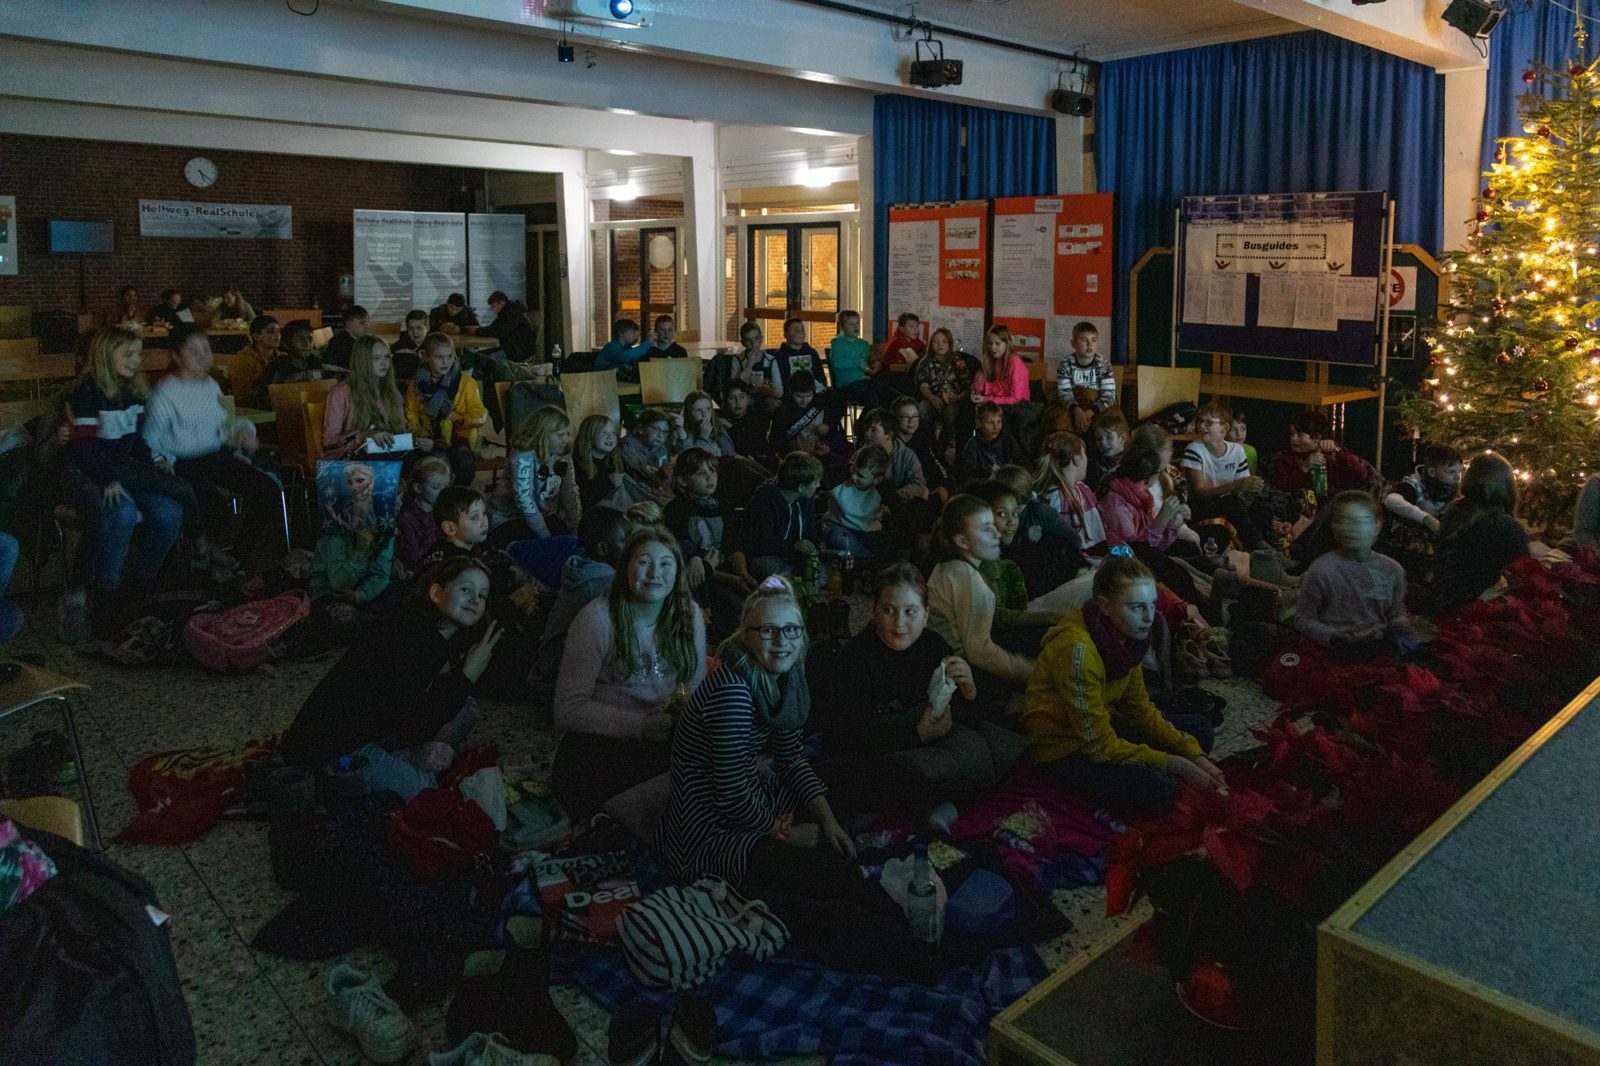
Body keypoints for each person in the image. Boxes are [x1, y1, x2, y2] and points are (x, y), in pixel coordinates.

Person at [657, 577, 855, 891]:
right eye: (768, 631)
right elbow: (731, 791)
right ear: (746, 636)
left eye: (791, 629)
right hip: (710, 826)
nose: (782, 641)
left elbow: (791, 758)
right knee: (815, 873)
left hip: (756, 791)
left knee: (844, 790)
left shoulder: (788, 676)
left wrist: (828, 821)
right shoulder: (732, 691)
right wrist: (784, 833)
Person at [818, 563, 1022, 825]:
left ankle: (942, 805)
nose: (900, 623)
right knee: (866, 777)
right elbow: (843, 736)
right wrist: (916, 734)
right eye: (888, 610)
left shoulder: (934, 646)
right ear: (874, 611)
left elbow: (967, 718)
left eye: (910, 612)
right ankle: (943, 804)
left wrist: (969, 691)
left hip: (932, 749)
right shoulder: (855, 659)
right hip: (886, 750)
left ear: (925, 615)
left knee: (1001, 747)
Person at [1023, 552, 1224, 815]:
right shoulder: (1078, 651)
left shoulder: (1127, 638)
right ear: (1105, 605)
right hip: (1062, 749)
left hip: (1099, 728)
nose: (1149, 617)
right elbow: (1098, 747)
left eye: (1153, 605)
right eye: (1137, 607)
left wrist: (1192, 754)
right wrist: (1173, 762)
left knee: (1199, 731)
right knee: (1161, 789)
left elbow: (1139, 709)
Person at [282, 557, 501, 794]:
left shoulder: (434, 636)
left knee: (467, 708)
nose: (475, 600)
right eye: (466, 589)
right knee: (422, 789)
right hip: (338, 749)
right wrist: (468, 674)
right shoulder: (408, 637)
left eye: (482, 595)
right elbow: (415, 727)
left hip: (381, 732)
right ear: (437, 593)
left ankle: (402, 759)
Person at [553, 528, 707, 820]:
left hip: (666, 734)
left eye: (665, 564)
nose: (654, 573)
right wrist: (641, 726)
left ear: (677, 571)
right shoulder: (596, 619)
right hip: (604, 742)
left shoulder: (689, 614)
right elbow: (568, 710)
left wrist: (681, 711)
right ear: (626, 567)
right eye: (644, 562)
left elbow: (695, 683)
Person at [63, 327, 190, 636]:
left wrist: (153, 465)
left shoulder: (132, 392)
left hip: (121, 470)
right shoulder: (86, 393)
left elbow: (134, 443)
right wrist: (107, 479)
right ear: (106, 356)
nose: (137, 361)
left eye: (139, 354)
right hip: (90, 472)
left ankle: (140, 586)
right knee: (121, 511)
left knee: (170, 511)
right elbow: (83, 448)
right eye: (128, 354)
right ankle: (106, 595)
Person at [143, 324, 282, 566]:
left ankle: (236, 555)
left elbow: (222, 426)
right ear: (176, 356)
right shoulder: (164, 393)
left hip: (214, 455)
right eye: (193, 351)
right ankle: (201, 559)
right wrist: (162, 461)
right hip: (181, 462)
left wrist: (241, 431)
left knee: (269, 491)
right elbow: (151, 439)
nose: (203, 356)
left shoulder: (210, 385)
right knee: (213, 505)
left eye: (206, 349)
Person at [927, 494, 1041, 698]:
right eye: (985, 529)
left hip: (952, 661)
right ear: (961, 540)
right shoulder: (964, 576)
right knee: (1039, 640)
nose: (996, 534)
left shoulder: (952, 566)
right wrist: (1030, 672)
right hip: (958, 674)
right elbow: (979, 652)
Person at [1296, 491, 1412, 651]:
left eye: (1360, 521)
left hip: (1376, 645)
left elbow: (1396, 612)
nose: (1350, 529)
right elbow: (1303, 620)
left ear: (1377, 526)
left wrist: (1400, 625)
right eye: (1342, 521)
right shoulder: (1322, 569)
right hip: (1334, 648)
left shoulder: (1391, 569)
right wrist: (1340, 637)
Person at [533, 505, 631, 686]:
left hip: (550, 665)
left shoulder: (583, 569)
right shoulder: (601, 584)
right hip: (558, 680)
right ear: (603, 549)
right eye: (626, 540)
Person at [664, 447, 753, 642]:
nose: (710, 477)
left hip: (726, 570)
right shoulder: (675, 511)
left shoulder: (722, 504)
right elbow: (688, 558)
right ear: (683, 480)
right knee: (735, 610)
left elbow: (732, 542)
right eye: (701, 473)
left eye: (712, 471)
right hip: (702, 579)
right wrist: (731, 578)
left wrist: (743, 573)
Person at [1431, 451, 1529, 612]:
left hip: (1442, 599)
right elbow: (1525, 575)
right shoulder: (1506, 526)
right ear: (1508, 486)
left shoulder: (1454, 511)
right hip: (1474, 612)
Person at [1181, 401, 1273, 551]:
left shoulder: (1237, 451)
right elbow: (1199, 492)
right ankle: (1258, 547)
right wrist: (1236, 485)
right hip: (1201, 506)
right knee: (1231, 503)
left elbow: (1239, 491)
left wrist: (1250, 486)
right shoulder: (1194, 449)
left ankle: (1257, 547)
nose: (1202, 426)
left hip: (1228, 503)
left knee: (1260, 508)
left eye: (1209, 422)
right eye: (1200, 421)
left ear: (1224, 428)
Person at [406, 332, 487, 486]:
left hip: (459, 436)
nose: (445, 362)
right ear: (426, 357)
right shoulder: (416, 384)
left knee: (463, 460)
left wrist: (462, 418)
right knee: (411, 461)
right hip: (429, 435)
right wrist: (423, 436)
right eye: (439, 357)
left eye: (449, 357)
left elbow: (480, 414)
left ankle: (459, 497)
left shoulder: (465, 382)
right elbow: (412, 417)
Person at [490, 405, 579, 541]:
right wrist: (545, 536)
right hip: (508, 516)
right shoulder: (523, 456)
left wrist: (574, 526)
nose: (566, 440)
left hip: (545, 514)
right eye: (561, 435)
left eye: (567, 434)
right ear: (542, 434)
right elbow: (525, 500)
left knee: (568, 539)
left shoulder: (563, 453)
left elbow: (570, 490)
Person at [1101, 445, 1201, 553]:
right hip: (1134, 560)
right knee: (1189, 548)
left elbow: (1157, 543)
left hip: (1149, 552)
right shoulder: (1116, 504)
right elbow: (1136, 550)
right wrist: (1162, 519)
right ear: (1148, 478)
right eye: (1158, 473)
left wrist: (1174, 519)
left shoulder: (1140, 493)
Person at [323, 335, 407, 459]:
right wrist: (363, 436)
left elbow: (400, 435)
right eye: (376, 358)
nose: (384, 363)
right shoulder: (340, 393)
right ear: (363, 361)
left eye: (387, 357)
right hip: (354, 463)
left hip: (389, 456)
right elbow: (329, 444)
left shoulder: (392, 392)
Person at [1382, 443, 1462, 572]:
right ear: (1432, 471)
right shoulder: (1414, 486)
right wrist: (1425, 518)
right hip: (1413, 537)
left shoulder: (1454, 491)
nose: (1457, 476)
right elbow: (1391, 500)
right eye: (1451, 472)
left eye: (1459, 471)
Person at [1268, 408, 1375, 502]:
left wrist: (1337, 451)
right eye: (1291, 434)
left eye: (1300, 435)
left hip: (1337, 501)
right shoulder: (1286, 457)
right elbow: (1282, 485)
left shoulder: (1331, 451)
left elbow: (1361, 472)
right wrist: (1305, 467)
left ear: (1317, 438)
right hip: (1303, 503)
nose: (1293, 439)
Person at [746, 451, 821, 580]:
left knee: (819, 573)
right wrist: (794, 546)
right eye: (816, 482)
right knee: (776, 574)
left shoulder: (806, 498)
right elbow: (763, 543)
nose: (818, 485)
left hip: (794, 555)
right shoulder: (764, 501)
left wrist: (814, 545)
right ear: (801, 487)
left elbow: (809, 528)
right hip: (768, 555)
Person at [1036, 431, 1107, 554]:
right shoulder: (1056, 499)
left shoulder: (1082, 489)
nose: (1086, 458)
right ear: (1077, 459)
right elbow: (1063, 546)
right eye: (1084, 453)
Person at [822, 444, 888, 560]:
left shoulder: (884, 489)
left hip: (868, 534)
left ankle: (859, 557)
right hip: (841, 529)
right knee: (837, 537)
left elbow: (900, 513)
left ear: (877, 480)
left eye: (861, 476)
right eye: (853, 468)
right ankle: (872, 560)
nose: (853, 476)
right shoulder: (839, 476)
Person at [396, 454, 452, 578]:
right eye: (436, 487)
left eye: (446, 486)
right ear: (417, 488)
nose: (443, 492)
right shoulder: (406, 518)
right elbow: (413, 556)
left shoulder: (444, 509)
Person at [1055, 321, 1115, 432]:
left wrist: (1090, 412)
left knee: (1111, 425)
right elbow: (1065, 393)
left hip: (1097, 406)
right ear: (1073, 343)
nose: (1090, 344)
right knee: (1059, 423)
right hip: (1073, 406)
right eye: (1084, 340)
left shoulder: (1104, 365)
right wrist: (1077, 411)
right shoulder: (1065, 364)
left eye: (1093, 340)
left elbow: (1109, 395)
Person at [705, 322, 781, 410]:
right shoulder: (737, 360)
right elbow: (734, 385)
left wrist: (768, 391)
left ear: (761, 339)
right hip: (743, 401)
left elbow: (779, 391)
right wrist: (748, 366)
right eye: (748, 340)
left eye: (756, 339)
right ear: (743, 343)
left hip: (764, 400)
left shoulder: (771, 360)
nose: (753, 343)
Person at [913, 327, 968, 437]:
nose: (940, 345)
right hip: (931, 398)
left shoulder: (957, 361)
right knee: (923, 410)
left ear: (949, 343)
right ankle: (928, 443)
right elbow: (923, 386)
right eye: (936, 342)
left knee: (950, 414)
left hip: (953, 399)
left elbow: (967, 387)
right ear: (931, 344)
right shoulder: (925, 362)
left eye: (944, 341)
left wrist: (957, 397)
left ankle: (942, 446)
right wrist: (932, 398)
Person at [892, 394, 951, 497]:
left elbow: (932, 462)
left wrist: (942, 485)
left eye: (915, 416)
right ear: (896, 419)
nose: (911, 421)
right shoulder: (892, 443)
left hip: (923, 485)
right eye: (906, 417)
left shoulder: (921, 437)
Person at [766, 371, 832, 462]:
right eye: (799, 396)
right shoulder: (783, 411)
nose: (804, 401)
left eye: (808, 396)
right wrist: (791, 445)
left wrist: (826, 433)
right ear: (791, 393)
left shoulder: (819, 404)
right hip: (793, 458)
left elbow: (831, 427)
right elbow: (774, 441)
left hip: (817, 454)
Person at [954, 401, 1025, 483]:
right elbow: (966, 475)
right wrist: (988, 480)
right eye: (990, 423)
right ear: (979, 423)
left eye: (999, 422)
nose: (996, 427)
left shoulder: (1006, 438)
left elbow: (1020, 458)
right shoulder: (973, 445)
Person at [826, 309, 879, 416]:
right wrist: (858, 363)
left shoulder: (863, 344)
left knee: (885, 392)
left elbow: (872, 360)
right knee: (872, 399)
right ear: (842, 327)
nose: (856, 326)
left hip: (865, 382)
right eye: (851, 324)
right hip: (847, 385)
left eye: (857, 323)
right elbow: (837, 363)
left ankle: (878, 424)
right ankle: (862, 425)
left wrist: (877, 365)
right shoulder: (838, 343)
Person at [573, 414, 631, 512]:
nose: (610, 437)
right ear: (588, 435)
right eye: (604, 432)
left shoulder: (617, 459)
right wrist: (608, 483)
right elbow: (580, 502)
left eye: (613, 432)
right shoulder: (576, 465)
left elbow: (631, 480)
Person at [226, 315, 280, 409]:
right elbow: (242, 396)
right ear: (256, 336)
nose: (277, 336)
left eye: (279, 331)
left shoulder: (281, 358)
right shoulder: (242, 361)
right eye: (271, 332)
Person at [259, 320, 326, 395]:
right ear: (286, 345)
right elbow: (266, 397)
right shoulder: (277, 368)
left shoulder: (318, 363)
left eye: (310, 339)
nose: (307, 344)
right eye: (300, 339)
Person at [971, 325, 1029, 408]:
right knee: (970, 406)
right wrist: (975, 393)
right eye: (990, 343)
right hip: (1001, 402)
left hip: (1018, 406)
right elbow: (992, 388)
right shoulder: (997, 360)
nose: (992, 347)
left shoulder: (1015, 363)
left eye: (997, 344)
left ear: (1007, 344)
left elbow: (1016, 398)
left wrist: (986, 399)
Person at [769, 317, 828, 399]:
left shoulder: (811, 352)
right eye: (796, 330)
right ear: (785, 335)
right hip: (793, 394)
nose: (800, 332)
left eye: (802, 330)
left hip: (812, 392)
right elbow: (782, 379)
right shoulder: (781, 355)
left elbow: (820, 375)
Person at [622, 408, 674, 492]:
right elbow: (637, 481)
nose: (660, 435)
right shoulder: (628, 448)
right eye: (657, 429)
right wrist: (658, 475)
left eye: (665, 432)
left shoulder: (661, 447)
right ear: (641, 429)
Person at [674, 390, 734, 457]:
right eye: (699, 410)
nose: (705, 414)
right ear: (689, 412)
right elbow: (689, 461)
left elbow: (729, 456)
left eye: (708, 409)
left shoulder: (718, 428)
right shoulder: (681, 431)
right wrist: (703, 437)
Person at [721, 379, 770, 461]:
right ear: (725, 401)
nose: (738, 402)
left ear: (748, 399)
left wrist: (732, 428)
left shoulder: (759, 419)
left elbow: (754, 447)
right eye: (732, 398)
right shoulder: (720, 419)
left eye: (742, 397)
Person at [1087, 407, 1130, 493]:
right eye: (1099, 439)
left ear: (1121, 438)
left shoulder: (1130, 462)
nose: (1103, 443)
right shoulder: (1094, 464)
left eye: (1109, 437)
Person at [324, 306, 370, 371]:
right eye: (362, 323)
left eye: (368, 322)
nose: (367, 326)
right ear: (348, 324)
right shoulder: (339, 344)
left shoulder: (362, 340)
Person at [389, 310, 431, 382]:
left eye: (419, 328)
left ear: (427, 328)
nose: (415, 332)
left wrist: (414, 356)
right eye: (410, 328)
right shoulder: (401, 344)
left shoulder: (434, 344)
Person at [1227, 410, 1257, 475]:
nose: (1239, 434)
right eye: (1233, 429)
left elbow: (1250, 477)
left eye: (1243, 428)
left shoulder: (1250, 451)